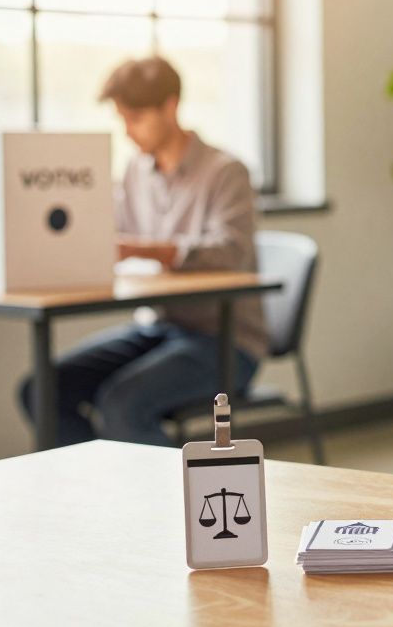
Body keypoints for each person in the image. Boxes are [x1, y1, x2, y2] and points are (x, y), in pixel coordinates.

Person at [17, 56, 266, 447]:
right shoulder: (136, 171)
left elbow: (231, 252)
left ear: (170, 106)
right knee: (42, 389)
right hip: (158, 326)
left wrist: (144, 250)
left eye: (135, 118)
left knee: (121, 404)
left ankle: (160, 506)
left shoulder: (225, 172)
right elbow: (107, 231)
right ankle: (96, 494)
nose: (128, 131)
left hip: (224, 340)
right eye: (122, 119)